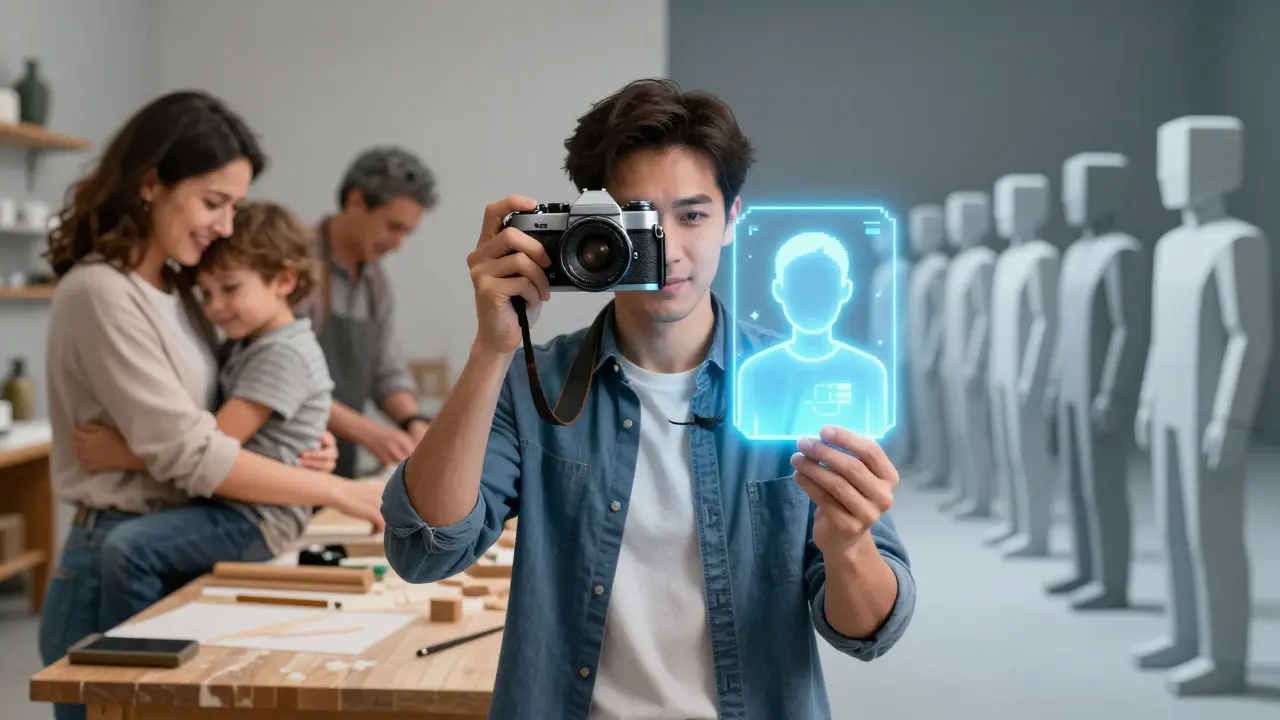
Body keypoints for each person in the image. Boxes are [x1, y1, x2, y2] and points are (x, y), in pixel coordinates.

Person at [381, 78, 916, 719]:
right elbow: (424, 548)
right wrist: (491, 347)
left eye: (692, 215)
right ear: (594, 227)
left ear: (732, 220)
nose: (666, 249)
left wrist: (848, 544)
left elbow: (868, 632)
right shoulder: (533, 384)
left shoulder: (797, 381)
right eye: (639, 218)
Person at [38, 91, 385, 720]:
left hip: (178, 539)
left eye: (233, 206)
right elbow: (192, 451)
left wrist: (300, 453)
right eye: (213, 202)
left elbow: (218, 421)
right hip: (113, 553)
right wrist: (333, 490)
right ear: (151, 183)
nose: (225, 225)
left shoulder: (180, 293)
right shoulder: (102, 292)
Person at [71, 200, 338, 630]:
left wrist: (119, 455)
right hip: (240, 507)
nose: (214, 307)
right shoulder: (251, 344)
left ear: (284, 280)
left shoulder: (281, 353)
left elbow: (215, 443)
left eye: (230, 289)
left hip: (258, 518)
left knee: (128, 548)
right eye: (206, 292)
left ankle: (131, 666)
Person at [295, 147, 439, 478]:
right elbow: (283, 380)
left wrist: (412, 423)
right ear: (356, 202)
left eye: (407, 232)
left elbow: (385, 373)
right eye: (393, 226)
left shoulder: (376, 283)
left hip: (338, 464)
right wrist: (369, 433)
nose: (398, 244)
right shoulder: (295, 260)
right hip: (286, 461)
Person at [736, 230, 890, 439]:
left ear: (844, 290)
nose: (812, 300)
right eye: (801, 286)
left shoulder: (869, 372)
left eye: (823, 286)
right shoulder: (754, 372)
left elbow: (879, 450)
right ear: (779, 290)